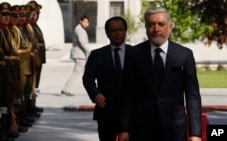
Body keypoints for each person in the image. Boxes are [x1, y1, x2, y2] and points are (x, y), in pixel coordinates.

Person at [118, 7, 202, 141]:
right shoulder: (133, 54)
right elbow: (127, 94)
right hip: (141, 129)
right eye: (151, 24)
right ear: (146, 27)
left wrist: (195, 133)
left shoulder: (184, 55)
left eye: (161, 24)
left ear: (170, 26)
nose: (156, 29)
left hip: (174, 129)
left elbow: (193, 97)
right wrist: (123, 129)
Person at [83, 16, 132, 141]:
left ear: (125, 31)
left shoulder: (136, 53)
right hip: (106, 111)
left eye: (120, 30)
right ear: (107, 33)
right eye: (113, 30)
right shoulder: (97, 55)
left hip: (131, 112)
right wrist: (96, 94)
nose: (117, 33)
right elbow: (88, 78)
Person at [61, 15, 90, 96]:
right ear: (80, 21)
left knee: (87, 73)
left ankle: (94, 89)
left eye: (87, 22)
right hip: (79, 55)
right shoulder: (79, 30)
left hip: (81, 54)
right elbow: (82, 42)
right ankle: (65, 89)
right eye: (84, 22)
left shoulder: (80, 29)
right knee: (76, 73)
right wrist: (89, 51)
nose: (86, 24)